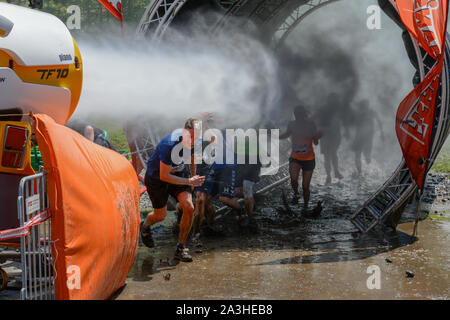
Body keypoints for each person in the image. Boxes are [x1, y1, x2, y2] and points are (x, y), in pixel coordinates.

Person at [140, 119, 205, 262]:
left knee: (189, 207)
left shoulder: (195, 141)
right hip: (158, 178)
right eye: (191, 137)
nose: (194, 141)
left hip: (178, 174)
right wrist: (189, 181)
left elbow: (192, 157)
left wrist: (193, 175)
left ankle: (181, 248)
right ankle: (144, 227)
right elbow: (164, 176)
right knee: (160, 216)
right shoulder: (168, 145)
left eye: (197, 137)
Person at [280, 105, 322, 210]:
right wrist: (273, 135)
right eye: (296, 115)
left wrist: (317, 137)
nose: (298, 117)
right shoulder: (292, 124)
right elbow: (285, 135)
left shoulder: (311, 124)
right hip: (295, 158)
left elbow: (316, 142)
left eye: (300, 115)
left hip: (309, 159)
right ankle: (296, 193)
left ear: (304, 115)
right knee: (293, 180)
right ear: (295, 115)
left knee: (305, 186)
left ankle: (306, 206)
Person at [314, 93, 344, 184]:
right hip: (326, 134)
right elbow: (316, 121)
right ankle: (329, 175)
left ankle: (334, 172)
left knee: (332, 153)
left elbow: (341, 120)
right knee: (329, 155)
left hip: (333, 134)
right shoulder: (323, 109)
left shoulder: (337, 109)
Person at [350, 100, 384, 176]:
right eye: (364, 105)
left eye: (366, 105)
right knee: (358, 154)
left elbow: (379, 121)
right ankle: (360, 171)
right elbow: (352, 123)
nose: (365, 107)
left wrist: (381, 133)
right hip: (359, 136)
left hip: (368, 136)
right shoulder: (358, 113)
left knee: (367, 156)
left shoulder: (371, 112)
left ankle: (368, 169)